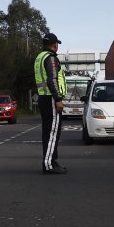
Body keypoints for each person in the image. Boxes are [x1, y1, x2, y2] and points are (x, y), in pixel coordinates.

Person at [33, 32, 67, 175]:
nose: (57, 46)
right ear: (54, 45)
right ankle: (49, 164)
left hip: (44, 97)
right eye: (57, 44)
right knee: (53, 132)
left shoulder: (39, 57)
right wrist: (58, 99)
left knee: (49, 132)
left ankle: (52, 160)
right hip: (51, 99)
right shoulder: (51, 58)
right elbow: (52, 79)